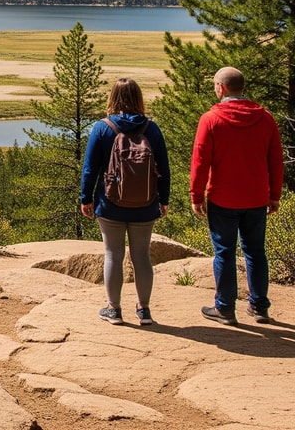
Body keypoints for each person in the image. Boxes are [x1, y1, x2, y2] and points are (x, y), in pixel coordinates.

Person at [190, 66, 284, 326]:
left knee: (225, 253)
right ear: (241, 88)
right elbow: (276, 161)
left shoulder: (211, 119)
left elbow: (200, 161)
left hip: (222, 198)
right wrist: (274, 194)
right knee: (255, 251)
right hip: (256, 198)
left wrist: (196, 195)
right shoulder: (264, 118)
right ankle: (259, 307)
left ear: (221, 88)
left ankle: (225, 308)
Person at [80, 78, 170, 326]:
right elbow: (164, 167)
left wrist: (85, 198)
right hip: (146, 204)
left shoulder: (103, 128)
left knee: (112, 255)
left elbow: (90, 169)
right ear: (139, 98)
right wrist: (164, 199)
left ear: (112, 98)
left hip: (110, 204)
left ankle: (114, 309)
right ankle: (144, 310)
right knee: (141, 256)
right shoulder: (151, 129)